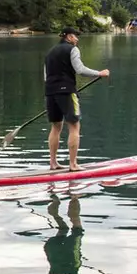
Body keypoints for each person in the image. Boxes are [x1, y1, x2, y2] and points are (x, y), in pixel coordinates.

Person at [43, 28, 109, 170]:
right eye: (75, 36)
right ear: (68, 37)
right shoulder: (72, 49)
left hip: (50, 92)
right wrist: (99, 73)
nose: (77, 39)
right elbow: (80, 70)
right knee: (74, 125)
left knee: (56, 126)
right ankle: (73, 164)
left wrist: (55, 90)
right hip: (67, 91)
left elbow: (45, 76)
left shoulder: (50, 52)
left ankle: (53, 163)